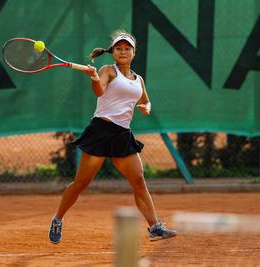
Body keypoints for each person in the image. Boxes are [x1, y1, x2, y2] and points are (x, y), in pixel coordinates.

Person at [49, 30, 176, 244]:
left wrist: (146, 107)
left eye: (127, 48)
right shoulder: (108, 70)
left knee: (139, 182)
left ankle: (154, 227)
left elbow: (146, 100)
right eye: (119, 48)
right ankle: (57, 218)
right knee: (81, 183)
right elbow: (99, 92)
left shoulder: (139, 80)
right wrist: (95, 78)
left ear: (134, 52)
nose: (123, 51)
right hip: (101, 130)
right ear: (113, 52)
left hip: (122, 134)